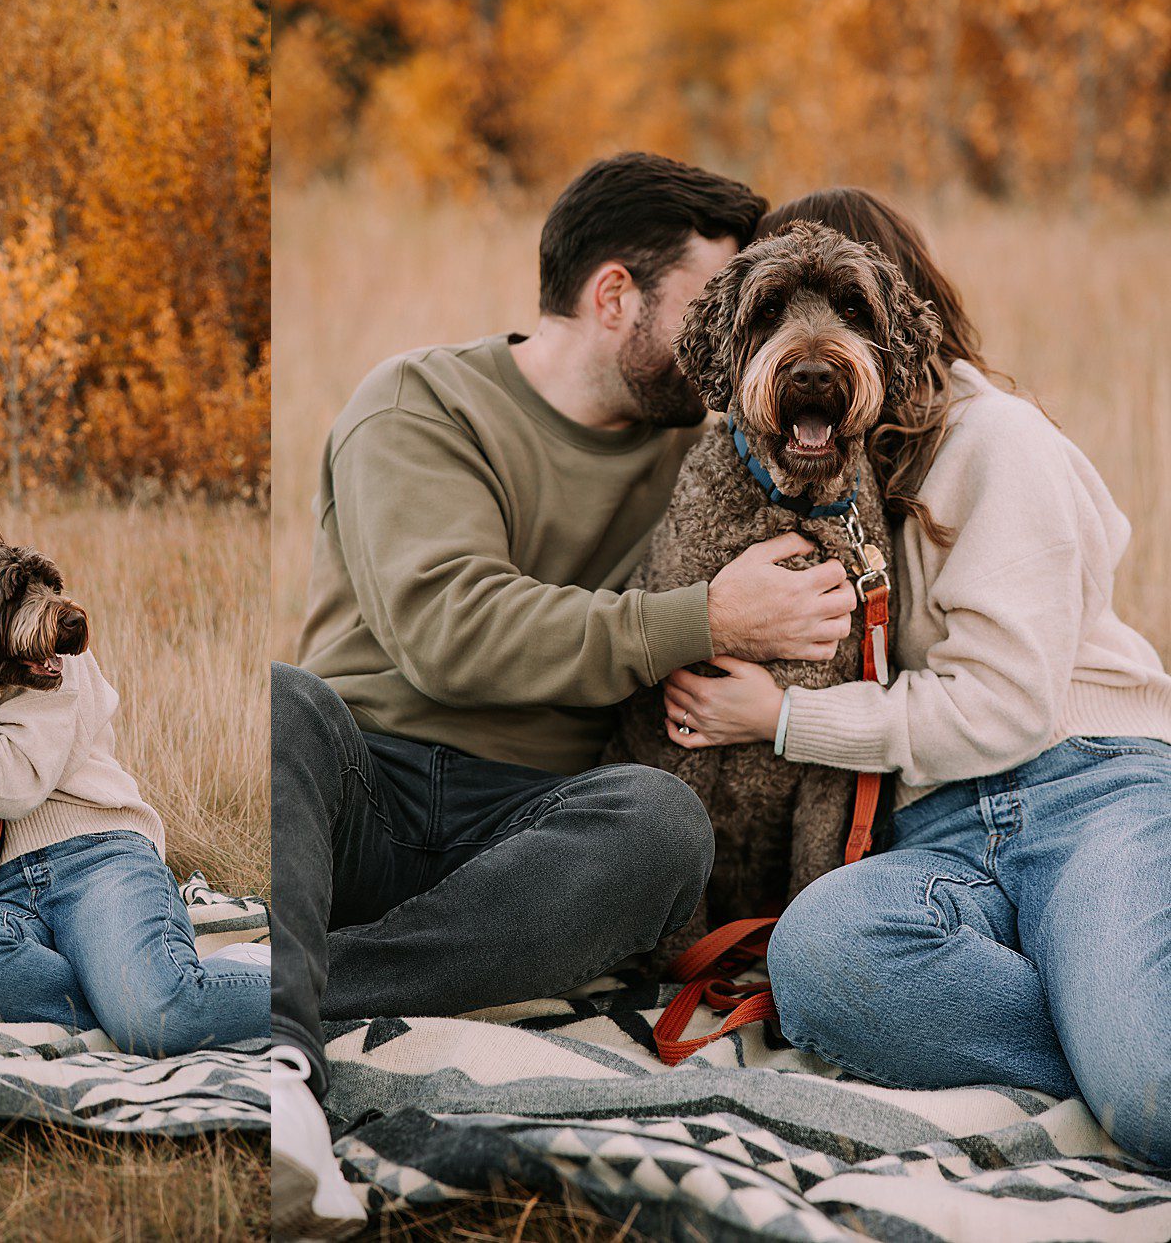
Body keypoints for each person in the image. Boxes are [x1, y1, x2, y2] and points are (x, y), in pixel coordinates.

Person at [269, 152, 865, 1237]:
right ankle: (281, 1082)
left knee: (657, 820)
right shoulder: (417, 403)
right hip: (367, 779)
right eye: (709, 306)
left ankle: (300, 984)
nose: (730, 338)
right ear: (612, 297)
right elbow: (452, 630)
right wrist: (708, 619)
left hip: (532, 824)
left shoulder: (710, 441)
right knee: (282, 704)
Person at [659, 187, 1171, 1166]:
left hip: (1084, 785)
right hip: (937, 829)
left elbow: (1008, 708)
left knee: (1152, 1096)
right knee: (823, 964)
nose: (814, 344)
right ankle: (1109, 1015)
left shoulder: (999, 441)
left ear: (904, 319)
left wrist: (781, 719)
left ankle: (1130, 1043)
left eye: (851, 310)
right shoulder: (843, 471)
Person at [0, 479, 270, 1056]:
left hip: (97, 859)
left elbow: (13, 786)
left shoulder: (49, 644)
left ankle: (311, 984)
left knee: (163, 1019)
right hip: (0, 893)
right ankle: (124, 994)